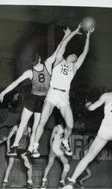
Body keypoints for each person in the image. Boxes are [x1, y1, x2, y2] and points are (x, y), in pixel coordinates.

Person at [0, 28, 71, 158]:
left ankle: (14, 147)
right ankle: (32, 149)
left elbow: (15, 83)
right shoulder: (48, 65)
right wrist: (66, 36)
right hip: (43, 101)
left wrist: (3, 92)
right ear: (40, 59)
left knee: (23, 124)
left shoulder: (29, 72)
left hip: (31, 99)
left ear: (31, 62)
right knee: (37, 126)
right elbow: (59, 50)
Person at [32, 23, 95, 158]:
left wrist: (88, 37)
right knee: (42, 121)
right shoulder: (59, 60)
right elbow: (64, 44)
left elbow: (85, 53)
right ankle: (35, 146)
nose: (73, 55)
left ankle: (65, 141)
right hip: (52, 93)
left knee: (70, 125)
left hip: (64, 97)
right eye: (72, 54)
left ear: (75, 60)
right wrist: (75, 31)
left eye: (75, 56)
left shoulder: (74, 67)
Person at [2, 124, 34, 189]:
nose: (24, 128)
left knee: (29, 164)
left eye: (25, 127)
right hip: (15, 148)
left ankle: (29, 182)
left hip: (23, 149)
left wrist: (31, 149)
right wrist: (8, 150)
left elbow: (31, 140)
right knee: (10, 164)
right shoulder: (16, 127)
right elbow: (8, 138)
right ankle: (4, 182)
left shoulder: (29, 129)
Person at [40, 122, 70, 189]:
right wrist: (51, 149)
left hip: (59, 148)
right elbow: (51, 139)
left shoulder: (66, 128)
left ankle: (62, 182)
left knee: (66, 164)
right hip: (54, 147)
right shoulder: (57, 127)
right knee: (50, 164)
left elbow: (62, 142)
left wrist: (65, 150)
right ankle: (43, 182)